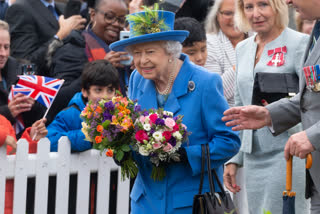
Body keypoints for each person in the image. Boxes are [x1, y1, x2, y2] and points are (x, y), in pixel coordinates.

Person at [110, 9, 241, 213]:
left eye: (150, 52)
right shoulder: (137, 79)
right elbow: (135, 132)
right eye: (137, 53)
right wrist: (122, 149)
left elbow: (229, 141)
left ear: (171, 52)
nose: (142, 60)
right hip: (145, 202)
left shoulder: (204, 83)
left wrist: (186, 155)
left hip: (191, 203)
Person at [222, 0, 320, 213]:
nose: (256, 13)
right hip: (252, 155)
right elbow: (240, 107)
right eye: (249, 7)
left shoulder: (300, 43)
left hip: (288, 153)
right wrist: (234, 158)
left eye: (263, 5)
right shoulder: (243, 48)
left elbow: (308, 102)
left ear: (278, 6)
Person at [46, 60, 119, 214]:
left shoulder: (120, 114)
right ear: (85, 91)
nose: (105, 96)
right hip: (72, 193)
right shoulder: (70, 114)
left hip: (111, 193)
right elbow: (50, 141)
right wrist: (87, 135)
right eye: (98, 90)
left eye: (110, 90)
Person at [45, 0, 130, 125]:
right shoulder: (72, 48)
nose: (116, 24)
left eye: (121, 20)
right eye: (109, 17)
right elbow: (59, 98)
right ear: (93, 14)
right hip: (80, 128)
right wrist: (100, 68)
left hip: (120, 127)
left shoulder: (125, 51)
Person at [5, 0, 86, 75]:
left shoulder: (62, 8)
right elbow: (24, 64)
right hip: (45, 84)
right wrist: (60, 35)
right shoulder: (20, 9)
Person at [0, 20, 46, 137]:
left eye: (6, 47)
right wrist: (7, 112)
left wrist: (32, 104)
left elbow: (42, 113)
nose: (3, 53)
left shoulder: (23, 69)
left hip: (23, 145)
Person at [0, 114, 47, 214]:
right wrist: (2, 136)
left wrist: (31, 139)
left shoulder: (3, 121)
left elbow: (15, 156)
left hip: (10, 204)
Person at [204, 0, 247, 106]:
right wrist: (248, 60)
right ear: (217, 15)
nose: (235, 19)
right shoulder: (209, 44)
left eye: (240, 12)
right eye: (228, 13)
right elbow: (214, 93)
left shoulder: (258, 37)